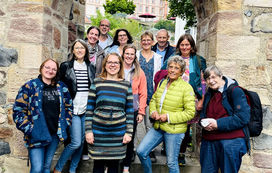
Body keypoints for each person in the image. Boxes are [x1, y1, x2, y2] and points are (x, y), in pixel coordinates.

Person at [136, 55, 196, 173]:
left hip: (174, 130)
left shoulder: (186, 88)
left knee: (171, 162)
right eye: (170, 67)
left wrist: (168, 117)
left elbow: (190, 113)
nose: (172, 70)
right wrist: (153, 111)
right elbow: (153, 99)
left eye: (176, 68)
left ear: (182, 72)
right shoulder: (162, 83)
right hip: (158, 127)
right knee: (141, 151)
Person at [13, 58, 73, 173]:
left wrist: (65, 124)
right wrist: (30, 129)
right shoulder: (30, 86)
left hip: (54, 134)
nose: (50, 71)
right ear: (41, 68)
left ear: (56, 72)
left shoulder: (62, 87)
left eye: (54, 69)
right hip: (36, 134)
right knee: (37, 168)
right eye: (47, 67)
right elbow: (18, 111)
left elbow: (69, 107)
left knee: (46, 167)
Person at [162, 33, 207, 165]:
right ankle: (170, 152)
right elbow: (164, 76)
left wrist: (202, 100)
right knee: (170, 124)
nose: (185, 47)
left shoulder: (198, 60)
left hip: (191, 99)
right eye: (182, 44)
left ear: (192, 45)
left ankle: (181, 154)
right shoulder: (172, 58)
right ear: (178, 46)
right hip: (174, 97)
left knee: (185, 127)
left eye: (187, 44)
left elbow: (204, 82)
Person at [85, 53, 134, 173]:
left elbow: (129, 111)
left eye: (116, 62)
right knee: (98, 167)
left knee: (113, 167)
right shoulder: (97, 83)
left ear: (120, 65)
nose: (113, 65)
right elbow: (90, 109)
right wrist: (88, 131)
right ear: (105, 65)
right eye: (110, 62)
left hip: (118, 134)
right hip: (98, 133)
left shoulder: (126, 85)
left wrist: (129, 132)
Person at [54, 39, 95, 173]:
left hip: (86, 109)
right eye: (77, 48)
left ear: (86, 51)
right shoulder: (66, 66)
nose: (79, 50)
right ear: (73, 51)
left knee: (82, 143)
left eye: (82, 48)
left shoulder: (91, 67)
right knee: (76, 142)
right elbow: (59, 86)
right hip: (72, 110)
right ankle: (58, 168)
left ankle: (73, 170)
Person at [200, 65, 250, 173]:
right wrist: (203, 123)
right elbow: (203, 114)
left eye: (213, 77)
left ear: (221, 76)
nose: (211, 81)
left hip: (231, 142)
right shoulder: (209, 93)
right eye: (208, 78)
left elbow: (243, 118)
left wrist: (217, 123)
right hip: (209, 140)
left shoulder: (235, 91)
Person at [137, 31, 162, 163]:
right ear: (140, 42)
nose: (146, 42)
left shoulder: (158, 57)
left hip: (152, 94)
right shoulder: (136, 55)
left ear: (153, 42)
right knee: (135, 124)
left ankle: (150, 150)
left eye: (148, 40)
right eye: (143, 40)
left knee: (149, 124)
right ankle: (133, 149)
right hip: (138, 94)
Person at [121, 44, 147, 173]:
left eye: (132, 54)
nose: (129, 56)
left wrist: (141, 112)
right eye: (127, 53)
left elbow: (143, 93)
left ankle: (126, 167)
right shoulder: (117, 68)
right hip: (117, 109)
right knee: (115, 137)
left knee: (129, 138)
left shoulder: (139, 72)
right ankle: (110, 165)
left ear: (134, 56)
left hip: (132, 109)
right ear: (123, 54)